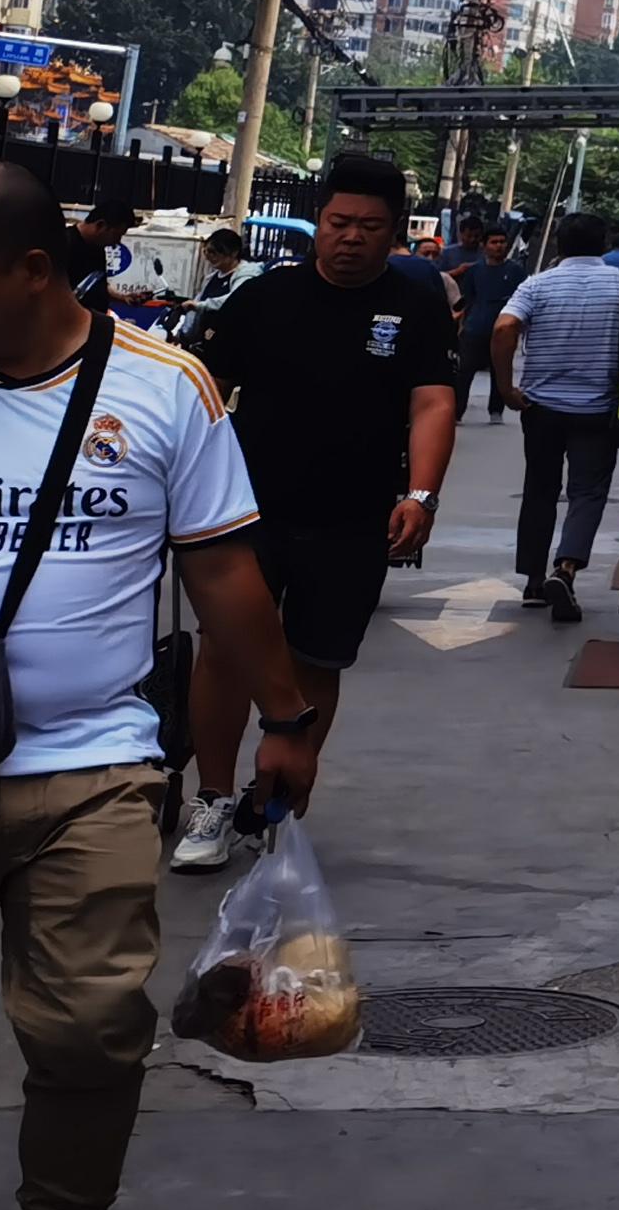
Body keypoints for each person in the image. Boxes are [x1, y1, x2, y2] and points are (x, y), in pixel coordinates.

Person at [0, 157, 323, 1210]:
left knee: (91, 1034)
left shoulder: (163, 389)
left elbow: (221, 576)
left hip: (92, 772)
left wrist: (287, 718)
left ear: (33, 271)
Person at [177, 155, 458, 872]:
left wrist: (420, 494)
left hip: (354, 514)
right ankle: (210, 799)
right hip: (245, 511)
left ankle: (274, 794)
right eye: (338, 223)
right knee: (224, 649)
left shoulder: (417, 306)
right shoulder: (264, 299)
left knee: (316, 659)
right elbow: (207, 392)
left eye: (369, 227)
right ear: (319, 224)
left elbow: (433, 402)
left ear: (394, 232)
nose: (351, 238)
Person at [490, 213, 619, 625]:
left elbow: (504, 329)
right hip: (599, 408)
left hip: (540, 407)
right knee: (588, 492)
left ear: (559, 244)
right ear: (604, 245)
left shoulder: (537, 284)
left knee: (540, 489)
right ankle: (565, 568)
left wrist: (507, 388)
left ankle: (531, 581)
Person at [449, 217, 522, 422]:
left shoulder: (515, 271)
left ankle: (496, 411)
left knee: (500, 371)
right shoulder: (474, 271)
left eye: (502, 242)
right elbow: (466, 301)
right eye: (494, 242)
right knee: (464, 373)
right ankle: (457, 412)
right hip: (474, 329)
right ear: (485, 245)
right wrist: (461, 327)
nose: (499, 246)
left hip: (503, 329)